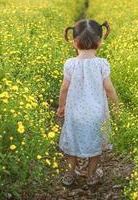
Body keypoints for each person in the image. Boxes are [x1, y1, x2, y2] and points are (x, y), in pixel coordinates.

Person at [56, 19, 119, 186]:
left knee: (72, 144)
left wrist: (61, 106)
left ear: (74, 42)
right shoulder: (102, 64)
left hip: (75, 113)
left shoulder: (70, 64)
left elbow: (64, 88)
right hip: (96, 113)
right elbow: (109, 88)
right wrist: (117, 106)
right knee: (95, 145)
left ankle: (70, 173)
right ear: (99, 42)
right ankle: (91, 176)